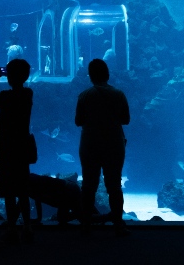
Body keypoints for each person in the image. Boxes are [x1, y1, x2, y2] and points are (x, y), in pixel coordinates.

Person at [75, 58, 130, 236]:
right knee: (114, 185)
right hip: (114, 144)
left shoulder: (84, 95)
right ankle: (118, 224)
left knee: (88, 186)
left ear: (90, 76)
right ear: (107, 74)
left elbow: (78, 121)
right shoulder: (119, 94)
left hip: (90, 144)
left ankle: (85, 225)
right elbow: (126, 120)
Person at [0, 58, 34, 243]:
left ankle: (12, 228)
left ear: (9, 76)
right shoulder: (28, 93)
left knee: (8, 190)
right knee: (23, 189)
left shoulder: (5, 96)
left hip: (7, 148)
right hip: (22, 147)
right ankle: (27, 226)